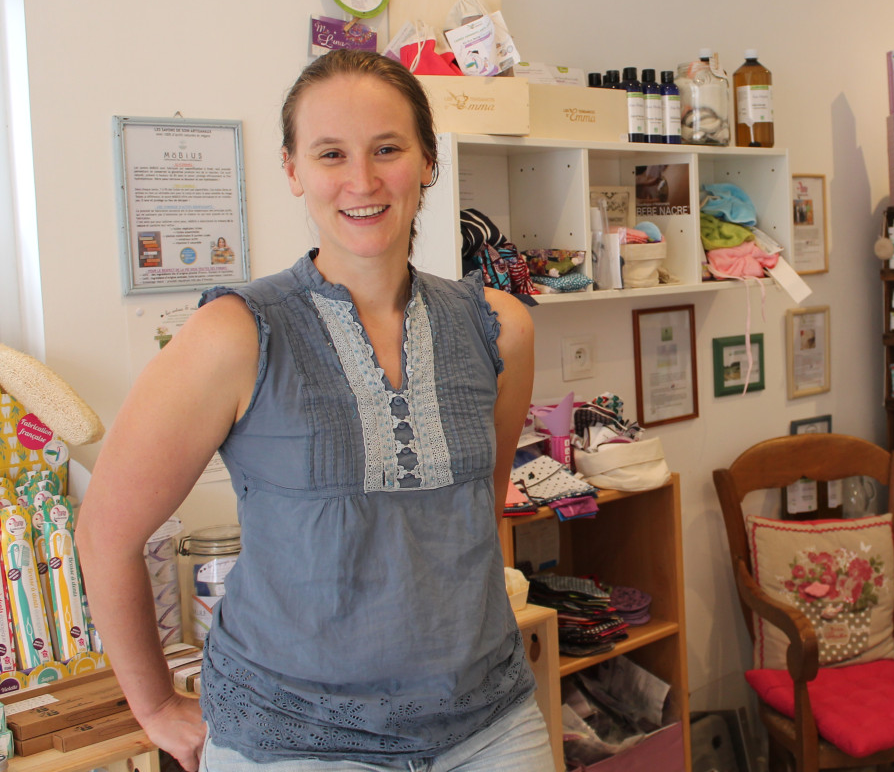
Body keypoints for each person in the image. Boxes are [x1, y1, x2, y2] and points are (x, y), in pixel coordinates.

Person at [77, 49, 549, 772]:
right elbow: (106, 533)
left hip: (489, 722)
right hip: (295, 739)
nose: (362, 181)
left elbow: (475, 510)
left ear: (427, 160)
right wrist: (153, 705)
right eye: (331, 153)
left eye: (387, 149)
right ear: (294, 170)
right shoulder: (235, 333)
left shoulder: (499, 327)